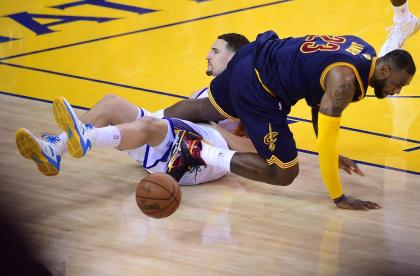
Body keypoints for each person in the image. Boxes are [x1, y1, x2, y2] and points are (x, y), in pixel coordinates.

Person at [163, 31, 416, 211]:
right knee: (284, 172)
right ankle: (199, 152)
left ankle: (149, 119)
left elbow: (320, 101)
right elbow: (327, 140)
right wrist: (339, 197)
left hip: (254, 56)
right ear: (384, 70)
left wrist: (332, 154)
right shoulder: (345, 83)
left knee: (206, 108)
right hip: (260, 87)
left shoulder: (363, 50)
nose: (397, 90)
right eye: (398, 83)